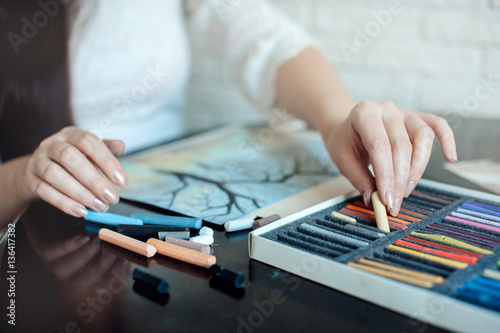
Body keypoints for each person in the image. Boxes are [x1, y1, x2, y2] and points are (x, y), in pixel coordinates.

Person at [0, 0, 456, 229]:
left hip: (172, 218)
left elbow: (264, 40)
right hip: (38, 233)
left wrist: (336, 120)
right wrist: (27, 175)